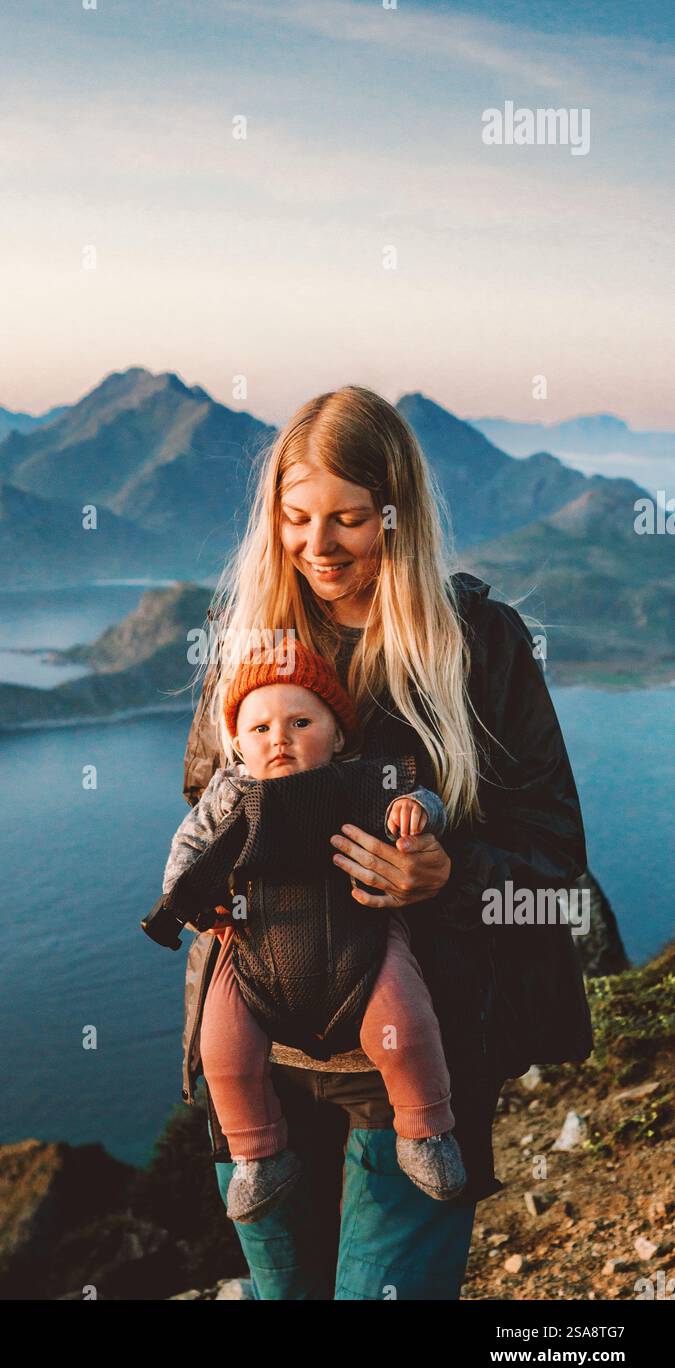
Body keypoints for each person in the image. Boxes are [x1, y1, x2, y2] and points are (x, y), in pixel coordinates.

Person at [177, 384, 590, 1300]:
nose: (317, 549)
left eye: (348, 521)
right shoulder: (249, 643)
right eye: (294, 519)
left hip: (414, 1069)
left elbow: (556, 868)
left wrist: (448, 875)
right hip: (260, 1064)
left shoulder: (479, 645)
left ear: (396, 513)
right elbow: (204, 811)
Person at [161, 638, 465, 1220]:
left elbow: (423, 798)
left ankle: (426, 1131)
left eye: (301, 721)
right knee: (222, 1050)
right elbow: (188, 848)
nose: (279, 738)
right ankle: (257, 1155)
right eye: (259, 728)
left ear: (339, 734)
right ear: (237, 743)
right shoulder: (229, 794)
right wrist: (192, 904)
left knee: (404, 1022)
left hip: (365, 932)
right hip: (248, 943)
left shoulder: (362, 779)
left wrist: (419, 811)